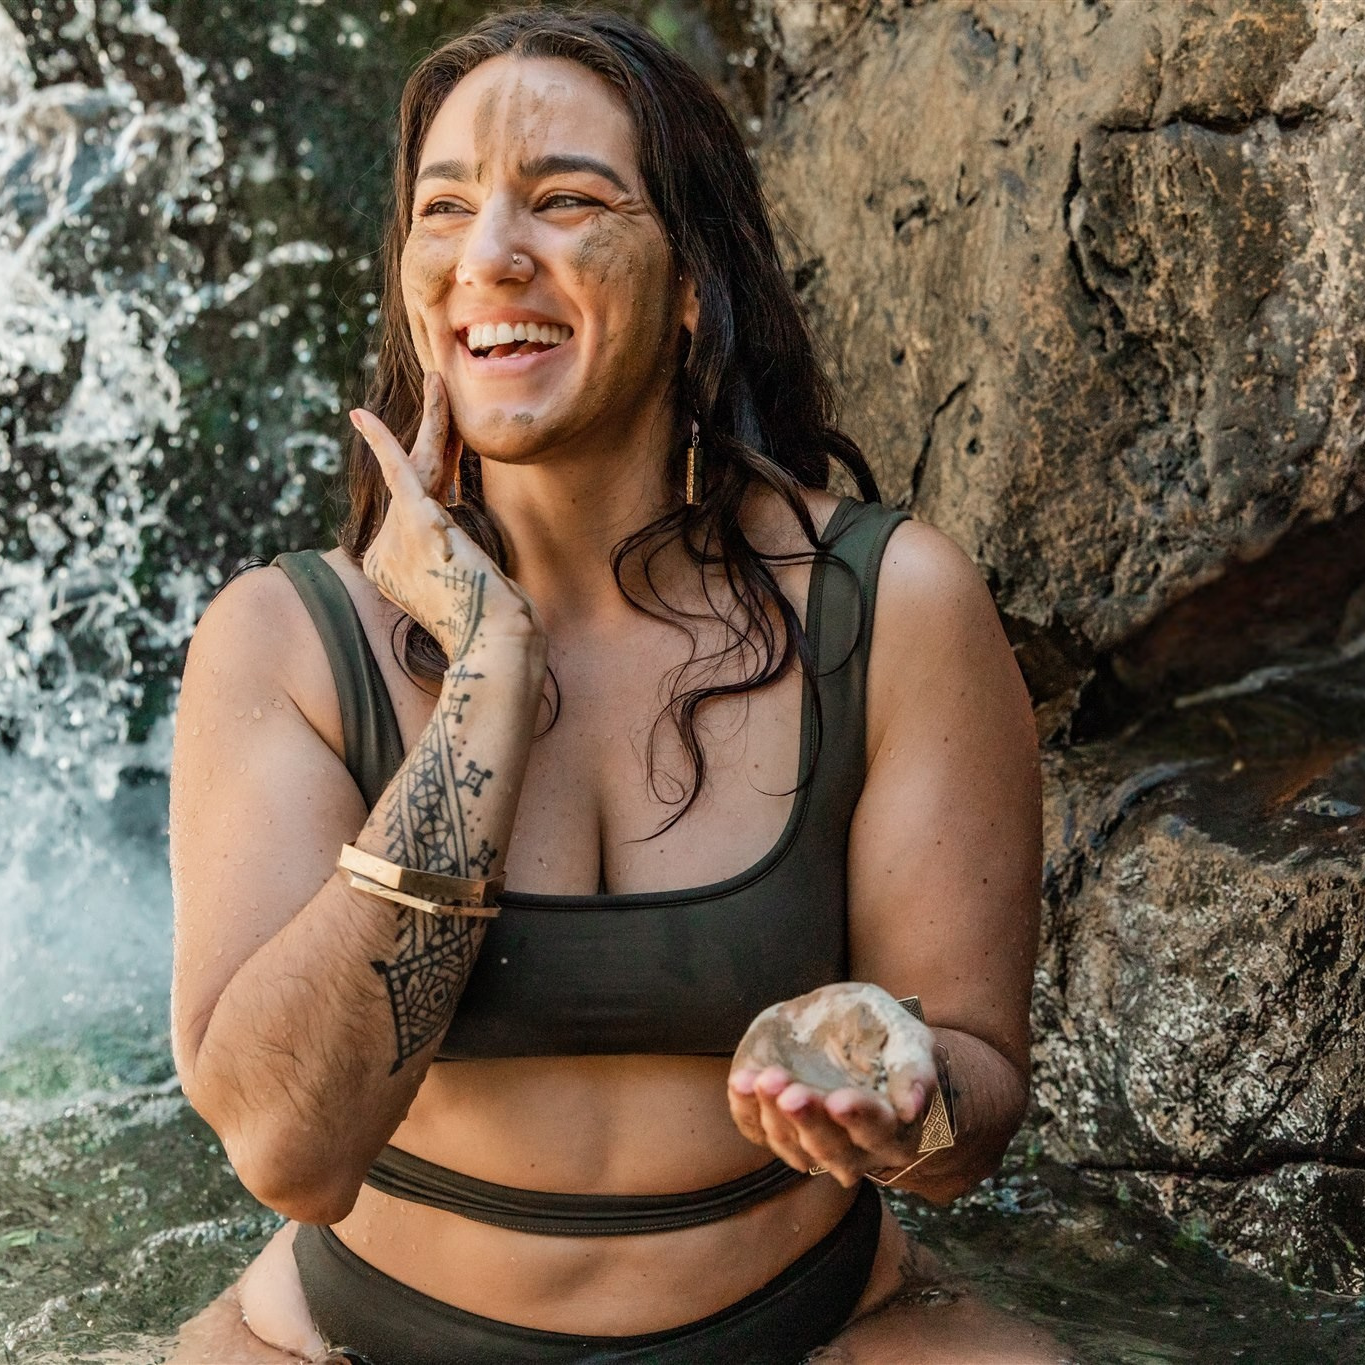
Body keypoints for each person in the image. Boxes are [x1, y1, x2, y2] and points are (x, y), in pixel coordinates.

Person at [167, 9, 1052, 1363]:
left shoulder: (894, 606)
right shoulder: (282, 641)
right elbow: (289, 1150)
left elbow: (974, 1112)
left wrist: (906, 1102)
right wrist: (487, 672)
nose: (491, 256)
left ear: (694, 278)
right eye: (445, 209)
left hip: (823, 1334)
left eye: (566, 200)